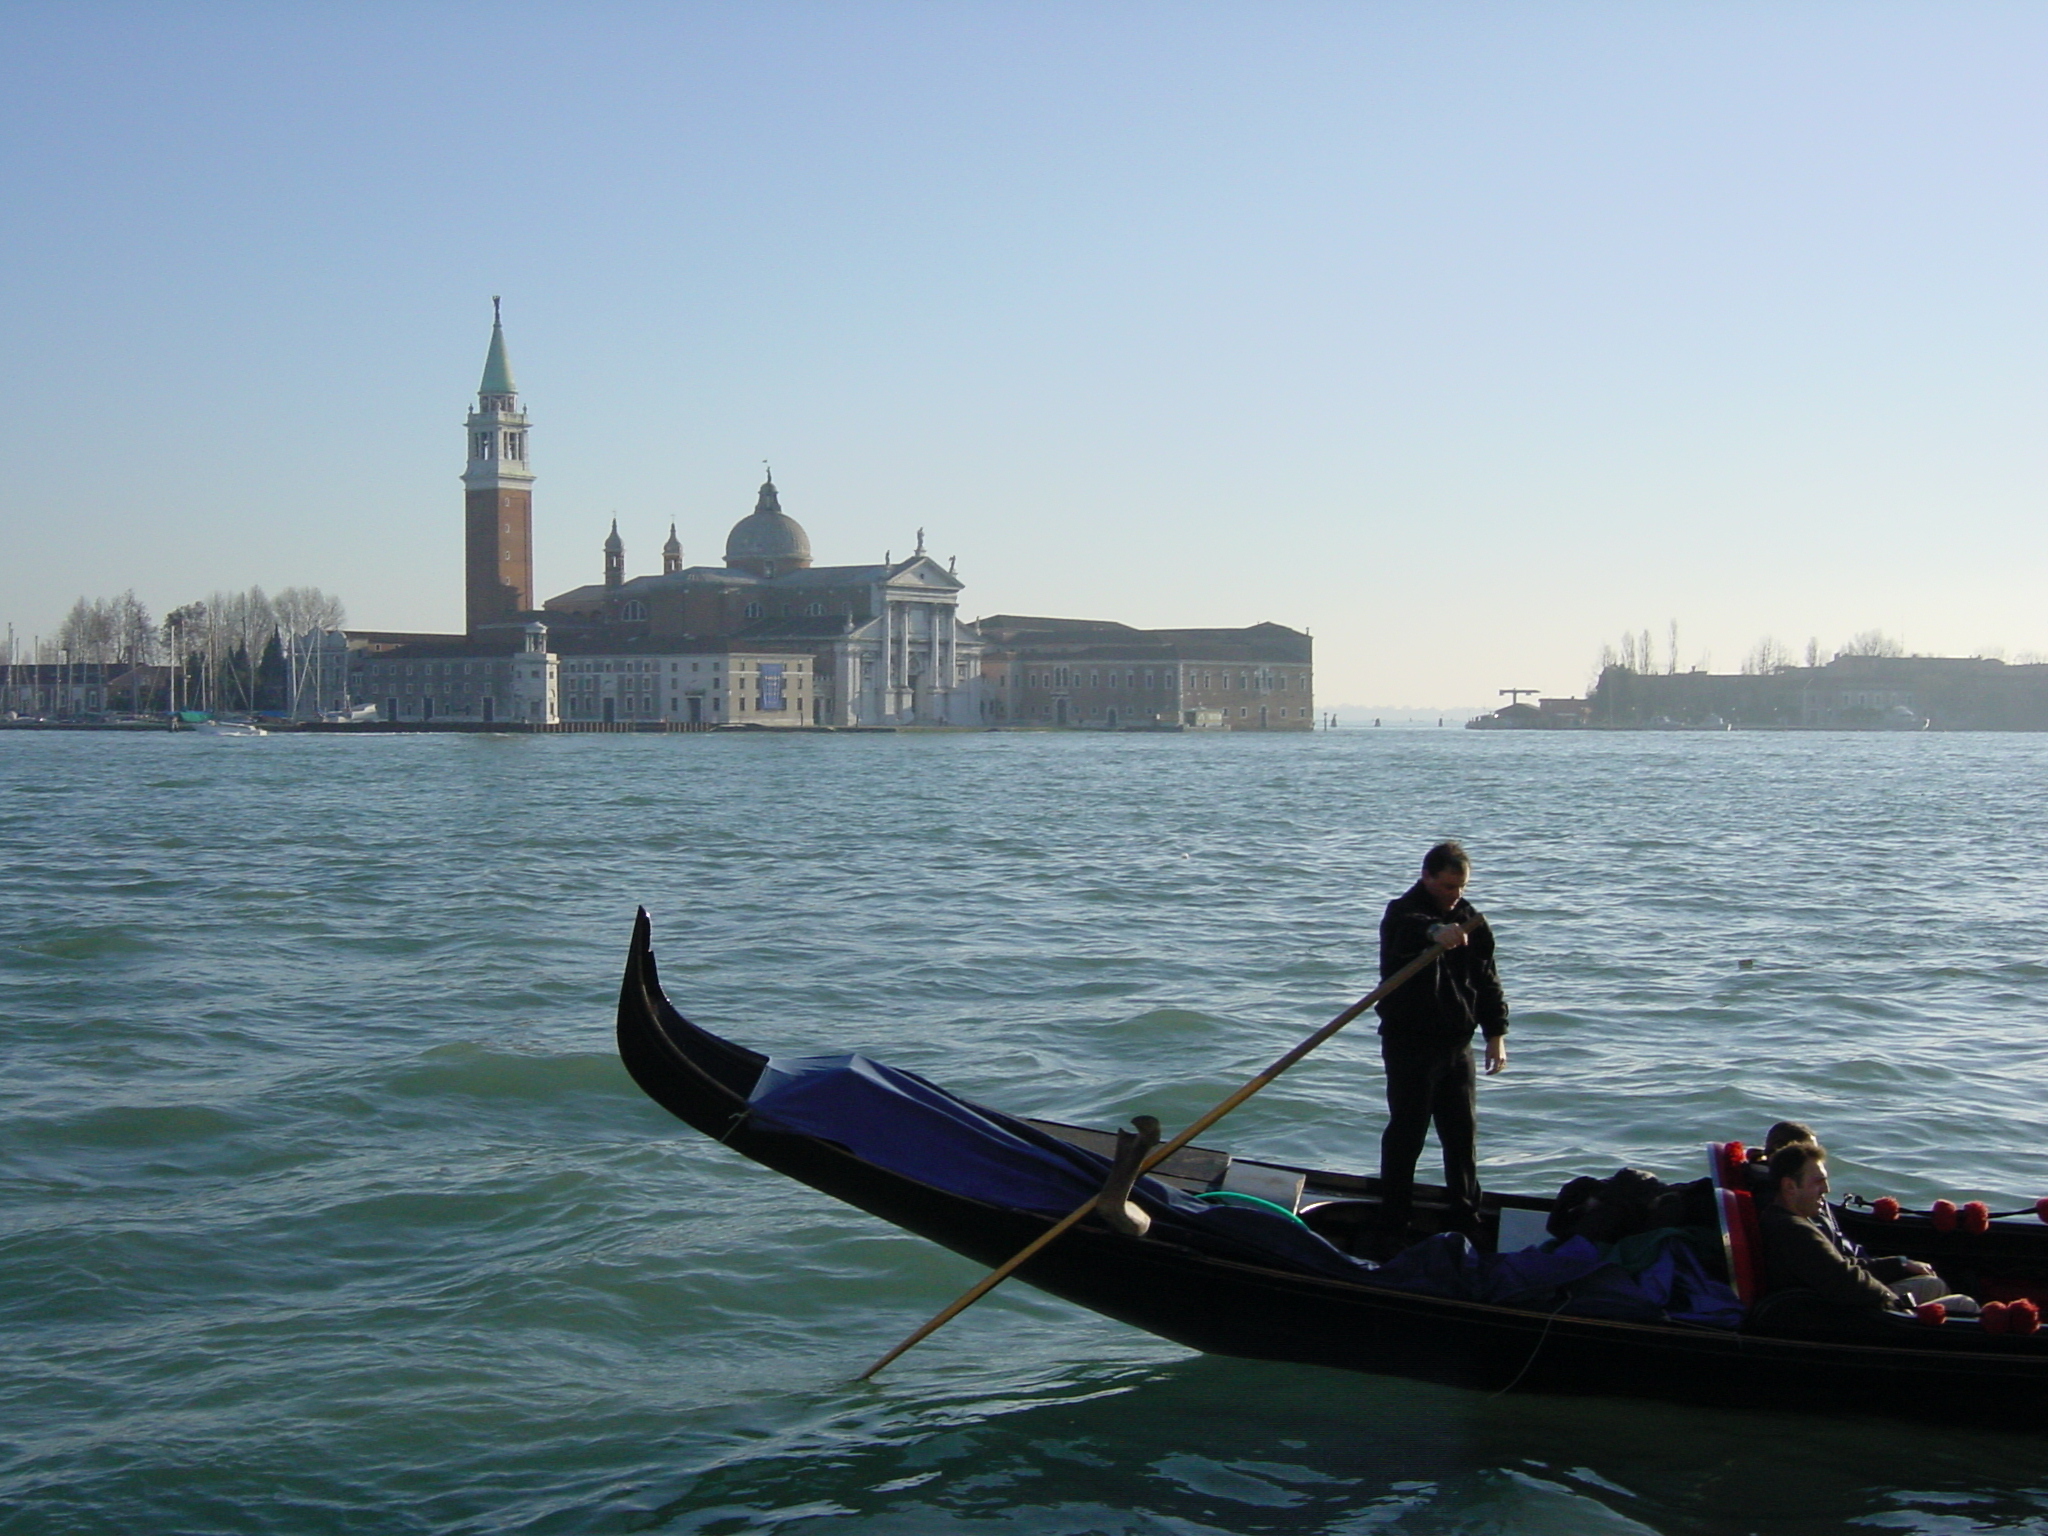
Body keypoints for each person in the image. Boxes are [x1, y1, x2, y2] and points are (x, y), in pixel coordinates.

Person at [1374, 841, 1508, 1235]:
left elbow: (1488, 981)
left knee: (1461, 1137)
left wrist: (1495, 1033)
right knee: (1408, 1132)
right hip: (1410, 1042)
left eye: (1462, 887)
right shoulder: (1403, 913)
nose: (1455, 895)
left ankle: (1467, 1219)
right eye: (1448, 887)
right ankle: (1394, 1218)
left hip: (1456, 1044)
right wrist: (1436, 931)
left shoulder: (1471, 920)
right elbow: (1410, 929)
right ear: (1427, 876)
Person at [1757, 1141, 1977, 1322]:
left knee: (1933, 1284)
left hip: (1843, 1305)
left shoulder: (1787, 1220)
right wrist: (1897, 1307)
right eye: (1818, 1182)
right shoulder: (1795, 1231)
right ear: (1789, 1187)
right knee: (1964, 1304)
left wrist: (1899, 1264)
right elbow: (1845, 1280)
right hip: (1845, 1317)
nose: (1826, 1190)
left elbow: (1843, 1267)